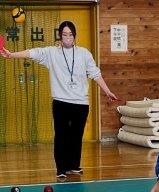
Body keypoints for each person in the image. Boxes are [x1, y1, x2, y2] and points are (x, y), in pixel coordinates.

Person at [0, 21, 118, 179]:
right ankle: (61, 168)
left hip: (81, 103)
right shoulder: (51, 53)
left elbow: (95, 74)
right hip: (61, 103)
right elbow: (32, 52)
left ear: (75, 36)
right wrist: (11, 55)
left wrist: (108, 91)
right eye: (64, 34)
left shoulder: (84, 53)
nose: (67, 37)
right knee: (61, 136)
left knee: (76, 136)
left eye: (70, 34)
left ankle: (73, 166)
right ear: (60, 36)